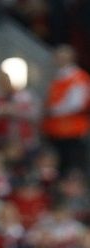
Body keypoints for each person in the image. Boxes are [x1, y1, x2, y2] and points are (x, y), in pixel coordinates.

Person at [42, 45, 90, 176]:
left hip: (72, 130)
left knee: (72, 167)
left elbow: (77, 104)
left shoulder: (78, 77)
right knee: (56, 166)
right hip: (54, 130)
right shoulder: (57, 78)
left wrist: (53, 110)